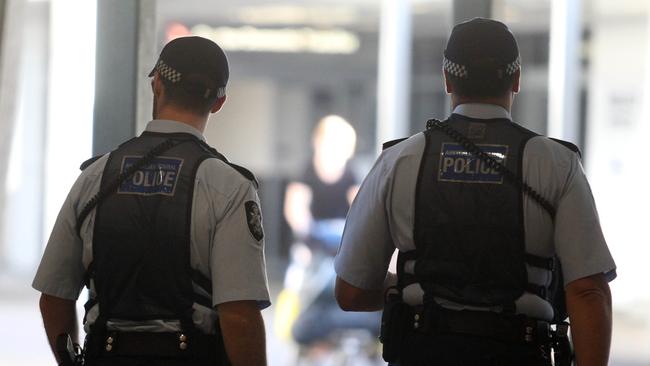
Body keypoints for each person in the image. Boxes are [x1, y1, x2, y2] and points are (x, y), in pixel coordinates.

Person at [334, 18, 616, 366]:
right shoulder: (557, 164)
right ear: (516, 79)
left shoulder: (400, 160)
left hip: (422, 351)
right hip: (519, 353)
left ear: (447, 79)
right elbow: (588, 292)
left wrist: (401, 285)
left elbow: (351, 291)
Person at [32, 36, 270, 366]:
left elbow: (54, 297)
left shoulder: (94, 177)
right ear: (218, 102)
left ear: (157, 85)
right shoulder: (228, 187)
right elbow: (239, 315)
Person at [277, 115, 380, 353]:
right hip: (312, 244)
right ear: (318, 144)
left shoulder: (350, 174)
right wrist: (307, 234)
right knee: (301, 276)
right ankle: (300, 327)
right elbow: (295, 208)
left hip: (341, 241)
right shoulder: (307, 171)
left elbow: (360, 207)